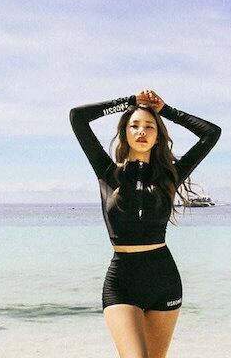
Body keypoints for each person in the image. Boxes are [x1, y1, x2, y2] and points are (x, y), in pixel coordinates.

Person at [69, 90, 221, 358]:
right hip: (122, 281)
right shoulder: (108, 172)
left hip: (164, 279)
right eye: (135, 125)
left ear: (158, 135)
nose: (142, 131)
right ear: (124, 133)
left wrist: (166, 110)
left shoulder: (170, 176)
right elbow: (77, 118)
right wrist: (128, 102)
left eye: (150, 126)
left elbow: (211, 133)